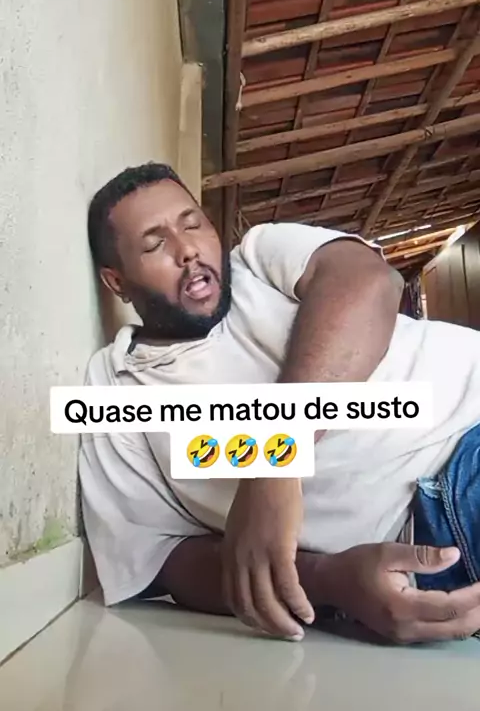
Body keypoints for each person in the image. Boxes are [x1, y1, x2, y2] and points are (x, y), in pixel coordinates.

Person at [80, 162, 480, 646]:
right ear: (117, 282)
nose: (188, 250)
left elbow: (369, 281)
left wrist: (275, 455)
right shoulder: (114, 389)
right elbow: (158, 559)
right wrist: (329, 581)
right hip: (420, 551)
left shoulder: (258, 258)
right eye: (154, 244)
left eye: (193, 224)